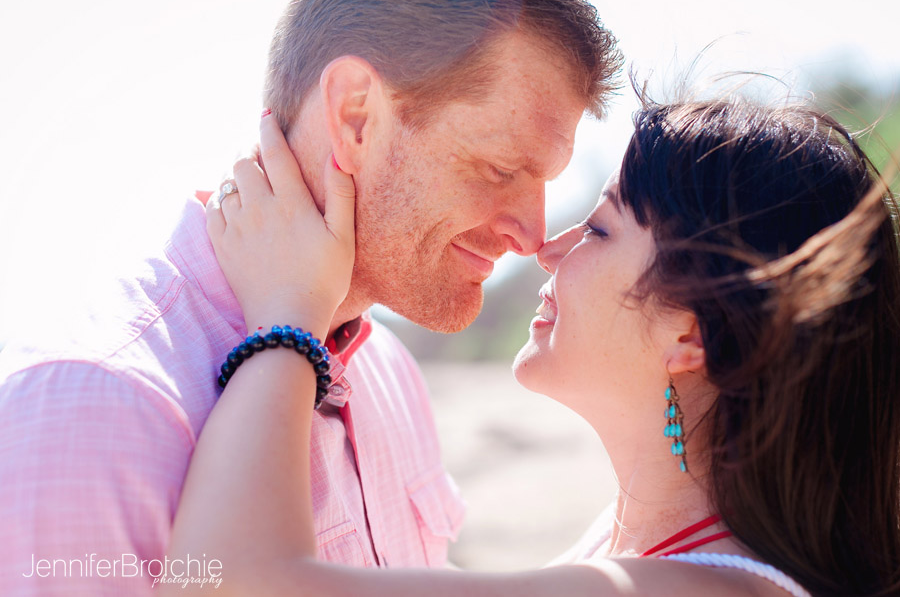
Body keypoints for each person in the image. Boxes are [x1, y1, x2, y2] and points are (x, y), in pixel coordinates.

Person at [0, 0, 621, 593]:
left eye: (544, 184)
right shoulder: (86, 407)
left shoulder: (387, 375)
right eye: (498, 169)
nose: (532, 236)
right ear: (355, 117)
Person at [166, 95, 900, 596]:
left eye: (602, 228)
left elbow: (230, 579)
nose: (549, 246)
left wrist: (288, 314)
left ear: (690, 332)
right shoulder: (643, 544)